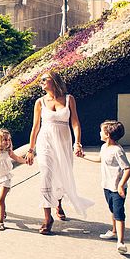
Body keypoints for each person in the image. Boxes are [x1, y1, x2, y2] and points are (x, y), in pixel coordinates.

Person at [24, 71, 93, 234]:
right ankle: (47, 218)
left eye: (44, 79)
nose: (40, 82)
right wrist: (31, 149)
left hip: (63, 141)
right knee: (46, 175)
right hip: (45, 141)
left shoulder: (69, 99)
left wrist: (77, 143)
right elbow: (35, 127)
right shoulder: (40, 102)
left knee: (61, 174)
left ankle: (59, 203)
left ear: (54, 81)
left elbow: (75, 122)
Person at [82, 120, 130, 254]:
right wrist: (84, 156)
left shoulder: (117, 151)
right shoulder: (104, 147)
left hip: (117, 189)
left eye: (101, 131)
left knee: (119, 214)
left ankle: (121, 242)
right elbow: (99, 159)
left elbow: (128, 169)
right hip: (107, 186)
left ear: (108, 135)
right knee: (112, 210)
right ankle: (114, 231)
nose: (99, 133)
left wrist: (121, 185)